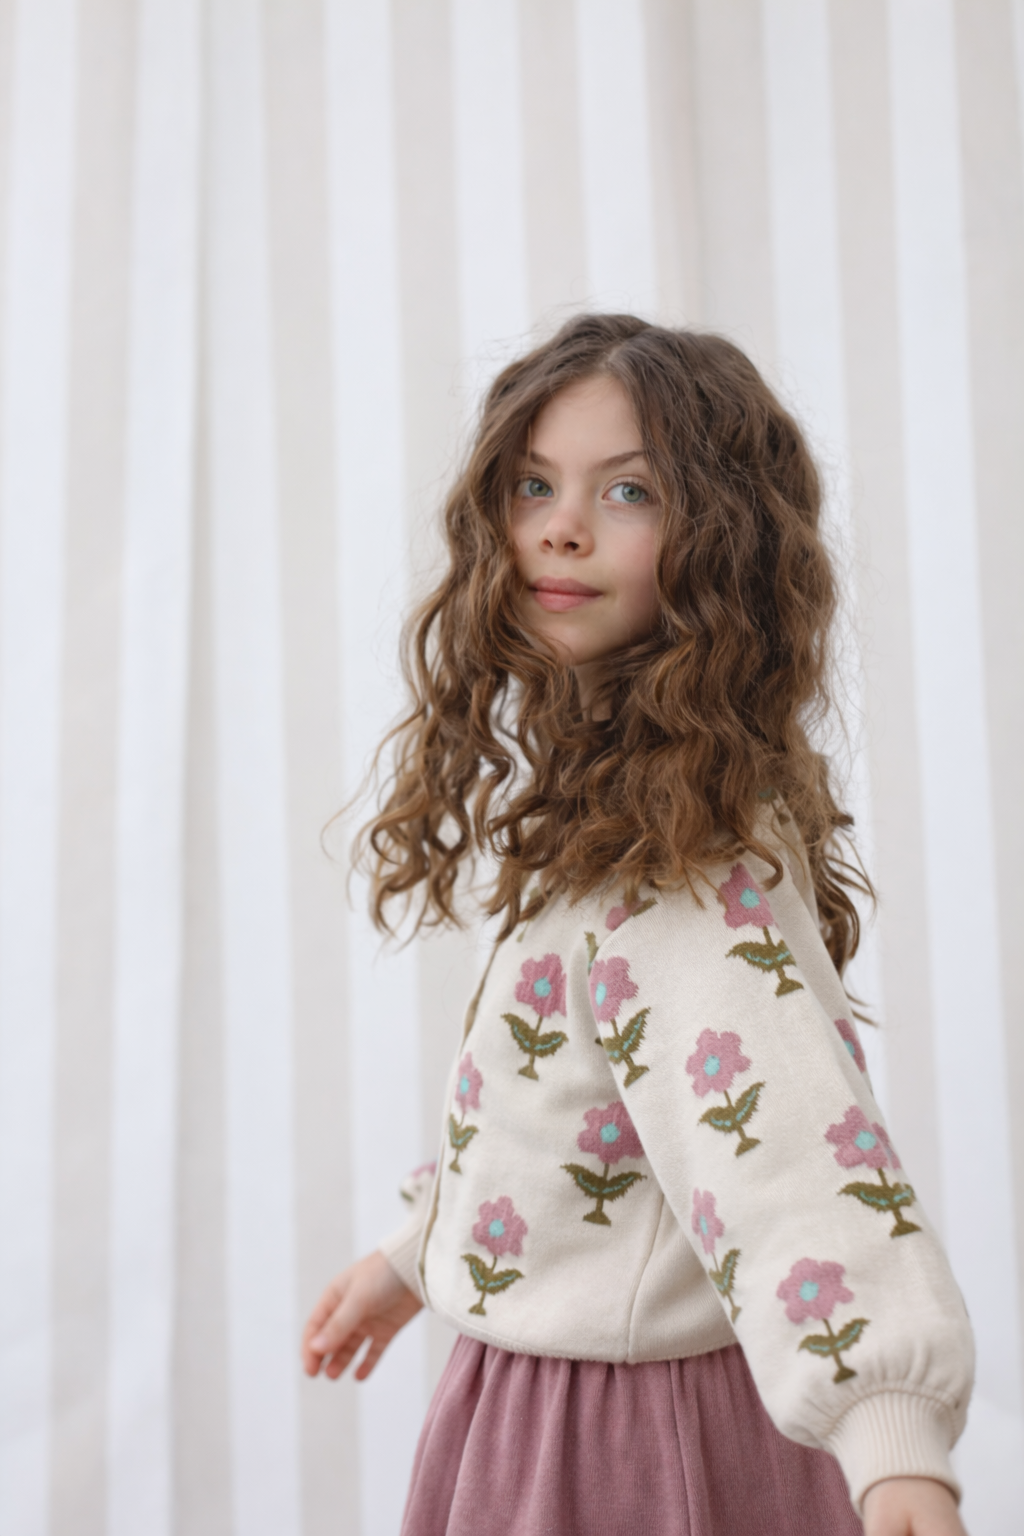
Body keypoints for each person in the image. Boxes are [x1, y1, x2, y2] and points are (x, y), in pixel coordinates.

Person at [301, 315, 973, 1536]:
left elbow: (782, 1143)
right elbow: (555, 1111)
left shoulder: (679, 867)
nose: (561, 524)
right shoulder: (615, 807)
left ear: (721, 540)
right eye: (534, 485)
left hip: (618, 1447)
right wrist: (421, 1249)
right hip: (553, 1396)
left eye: (626, 491)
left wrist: (891, 1437)